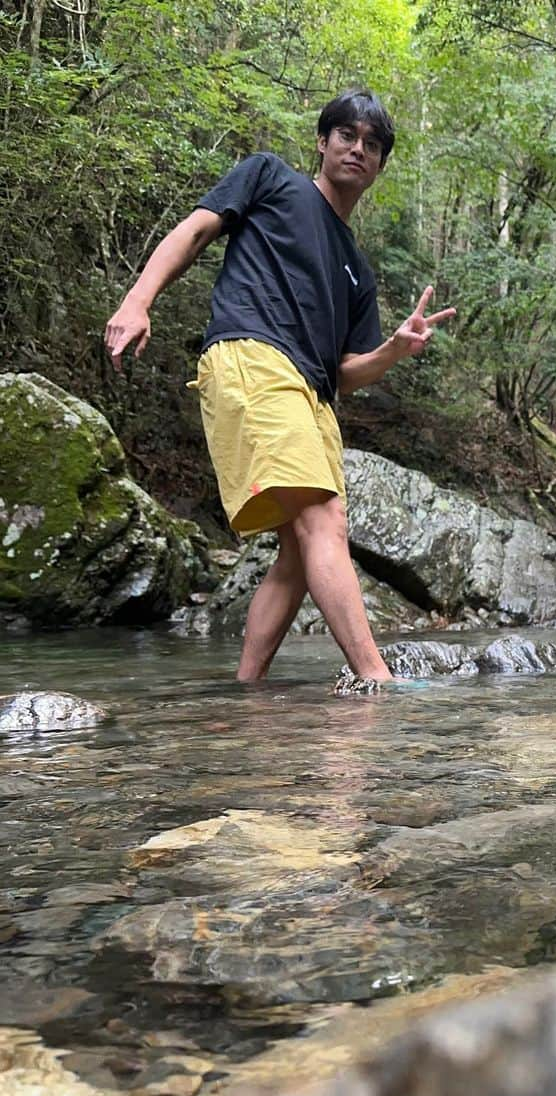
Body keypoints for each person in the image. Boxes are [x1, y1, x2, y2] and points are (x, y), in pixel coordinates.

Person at [104, 89, 453, 683]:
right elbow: (195, 232)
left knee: (299, 549)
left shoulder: (356, 269)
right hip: (252, 356)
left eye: (372, 145)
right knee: (325, 519)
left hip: (314, 394)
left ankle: (247, 692)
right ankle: (377, 680)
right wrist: (138, 300)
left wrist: (394, 349)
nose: (357, 150)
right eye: (347, 135)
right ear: (323, 141)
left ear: (379, 165)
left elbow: (348, 371)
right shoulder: (271, 177)